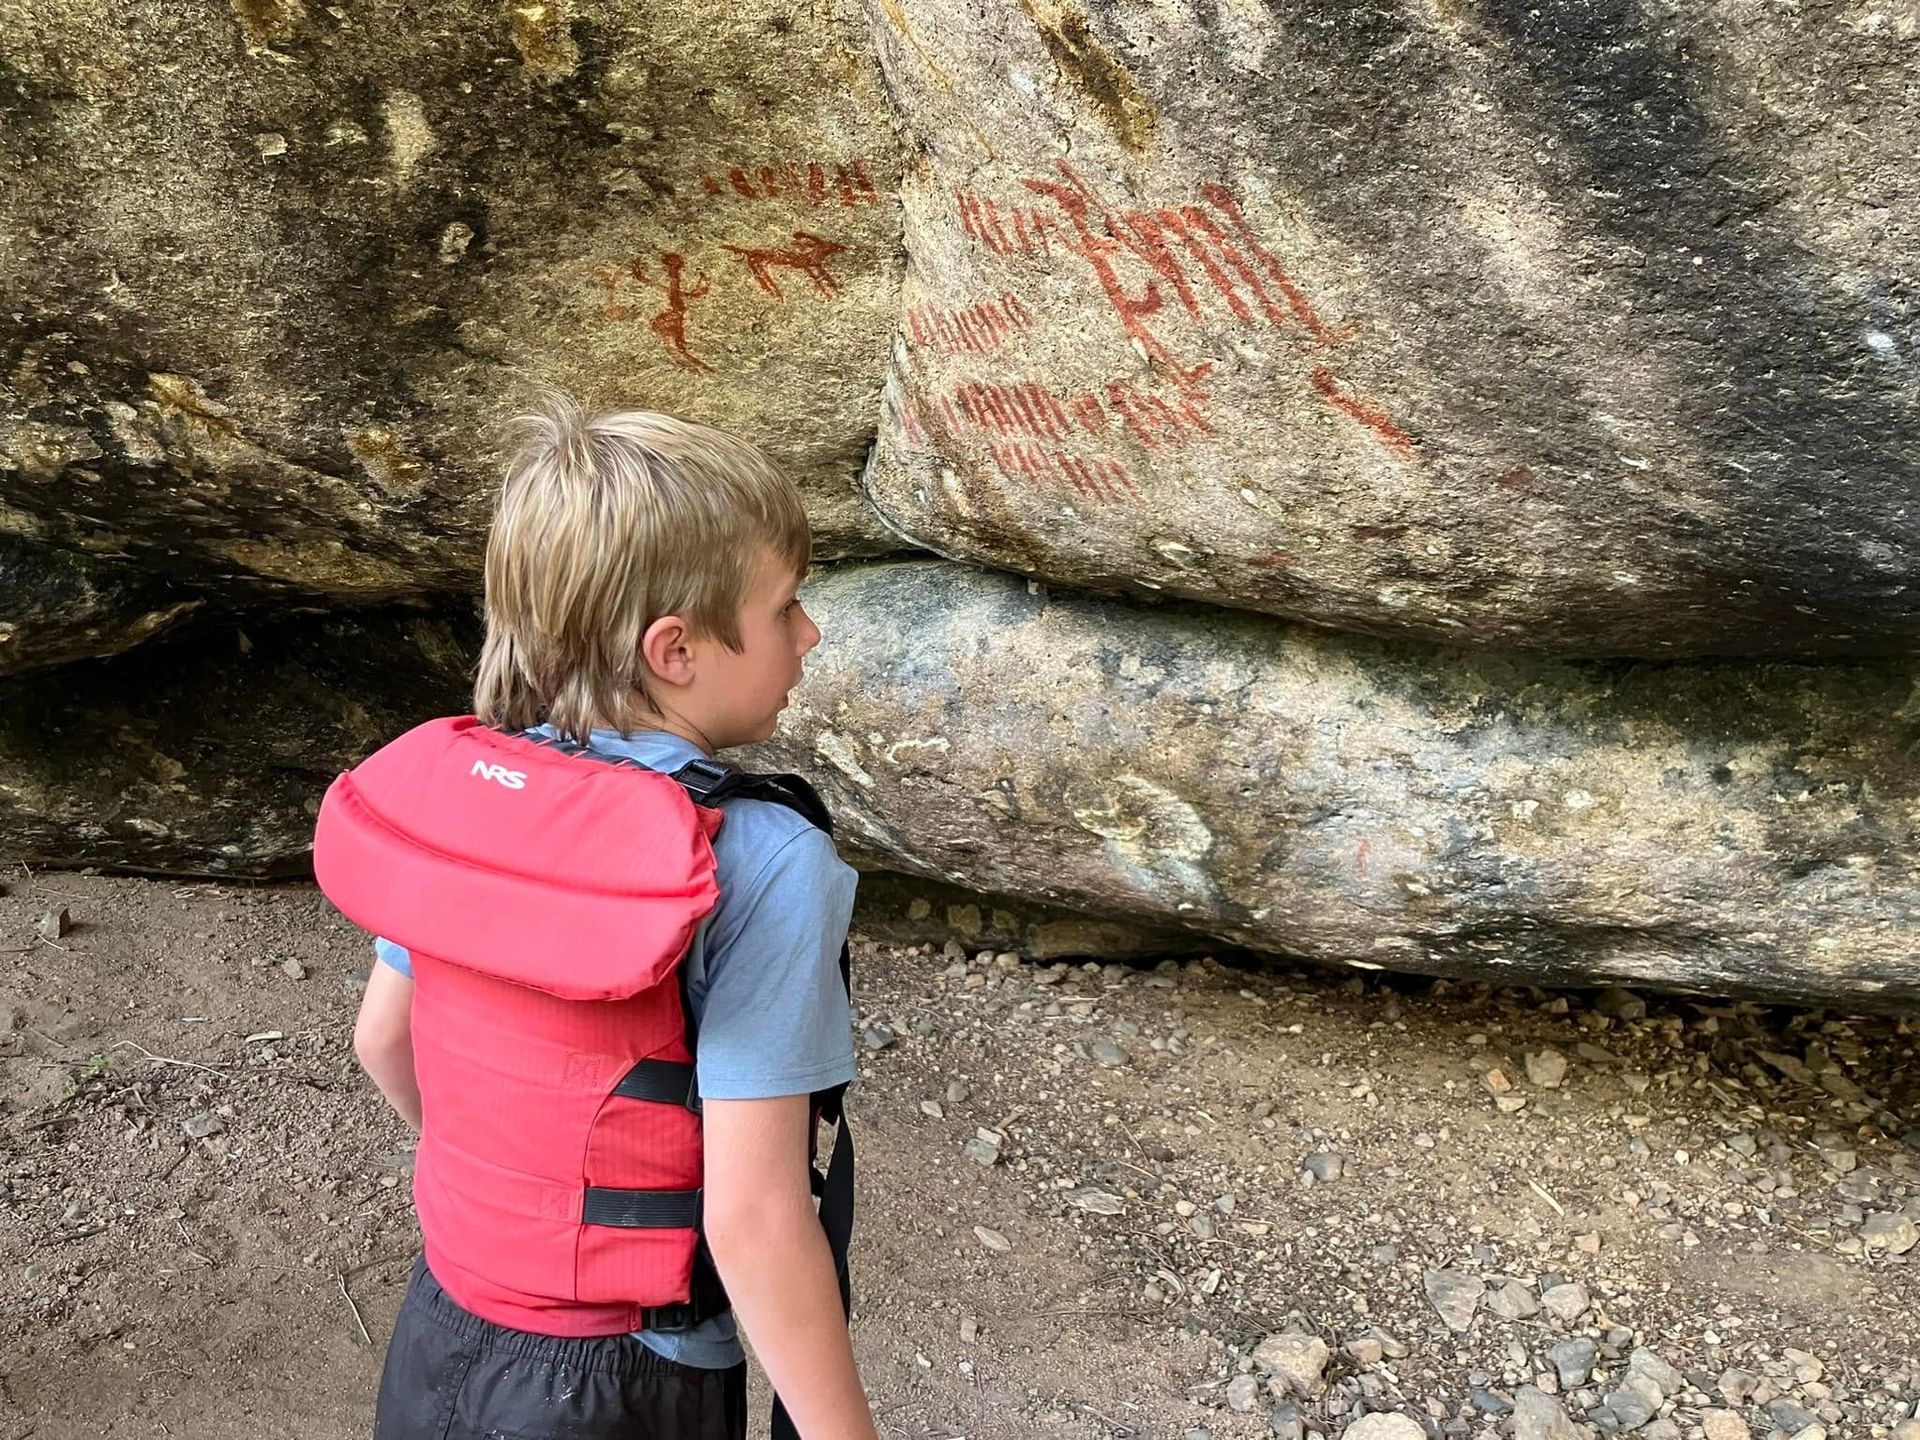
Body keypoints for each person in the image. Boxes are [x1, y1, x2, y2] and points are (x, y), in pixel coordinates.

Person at [316, 395, 878, 1440]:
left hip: (443, 1330)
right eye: (786, 607)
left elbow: (383, 1039)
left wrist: (531, 1217)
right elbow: (755, 1221)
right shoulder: (763, 861)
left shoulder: (465, 799)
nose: (810, 632)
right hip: (627, 1381)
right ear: (677, 650)